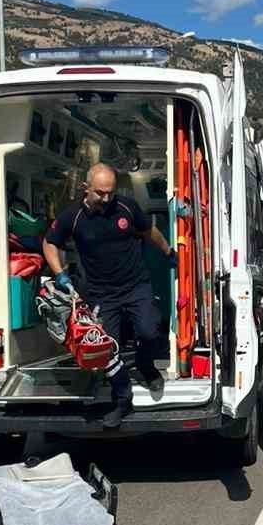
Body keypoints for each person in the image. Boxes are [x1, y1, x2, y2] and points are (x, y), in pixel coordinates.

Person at [43, 162, 176, 427]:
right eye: (100, 193)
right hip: (102, 294)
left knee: (150, 331)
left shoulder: (126, 207)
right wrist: (60, 274)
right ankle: (123, 399)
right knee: (107, 351)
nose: (106, 198)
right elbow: (49, 242)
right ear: (86, 188)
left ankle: (145, 365)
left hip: (136, 285)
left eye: (110, 193)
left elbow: (149, 231)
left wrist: (169, 253)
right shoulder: (73, 217)